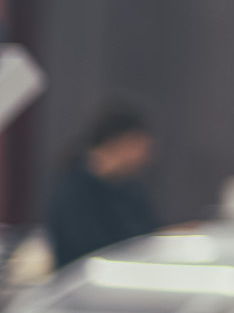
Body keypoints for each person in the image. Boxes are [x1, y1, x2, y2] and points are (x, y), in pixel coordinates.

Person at [46, 103, 160, 269]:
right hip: (84, 285)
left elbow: (149, 233)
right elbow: (86, 251)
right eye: (143, 148)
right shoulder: (73, 191)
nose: (146, 158)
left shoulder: (129, 189)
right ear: (123, 142)